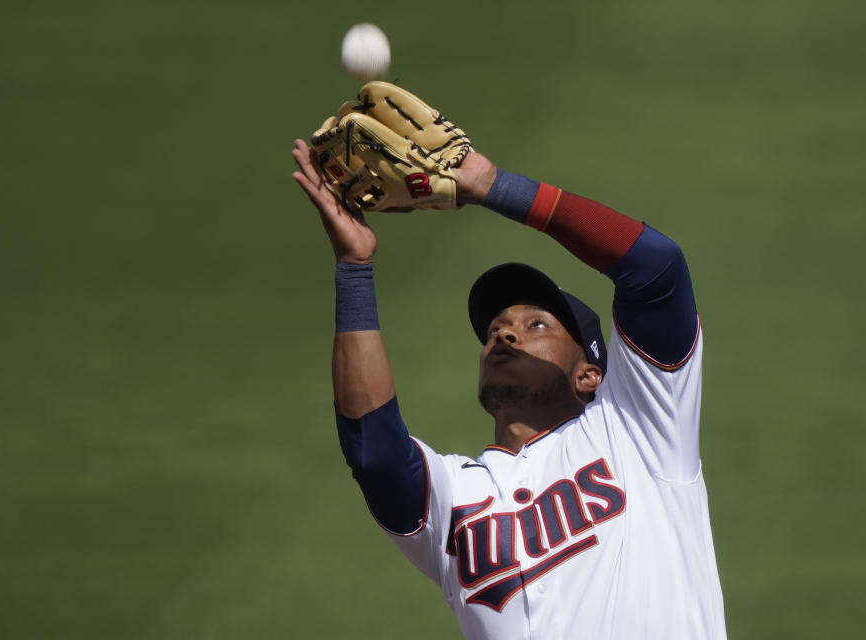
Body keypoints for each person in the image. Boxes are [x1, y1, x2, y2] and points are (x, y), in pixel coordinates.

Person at [292, 119, 727, 638]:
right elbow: (375, 453)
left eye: (535, 325)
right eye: (496, 329)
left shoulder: (639, 428)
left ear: (590, 374)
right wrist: (354, 269)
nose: (505, 337)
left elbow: (657, 270)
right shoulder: (455, 497)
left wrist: (493, 186)